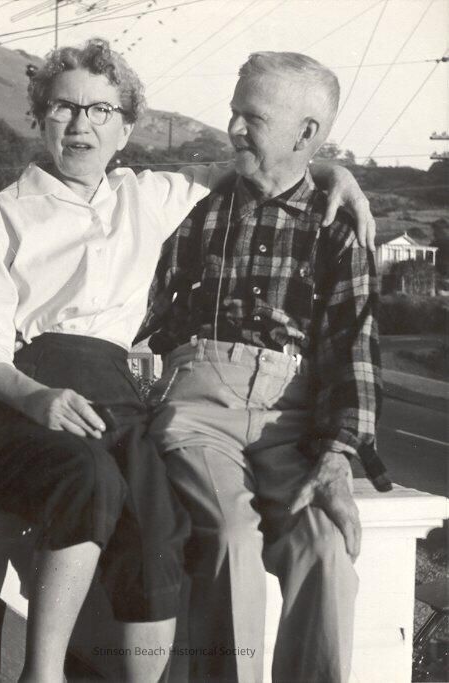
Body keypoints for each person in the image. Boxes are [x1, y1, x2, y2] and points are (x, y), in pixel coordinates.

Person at [0, 39, 376, 683]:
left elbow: (271, 178)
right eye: (63, 107)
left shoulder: (150, 196)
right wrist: (35, 396)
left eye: (100, 110)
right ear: (39, 118)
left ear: (125, 129)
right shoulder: (7, 215)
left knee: (187, 529)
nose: (80, 124)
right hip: (44, 388)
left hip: (144, 398)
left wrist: (332, 174)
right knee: (143, 504)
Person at [139, 51, 387, 683]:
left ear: (306, 133)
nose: (233, 128)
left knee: (326, 549)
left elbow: (353, 351)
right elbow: (144, 311)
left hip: (291, 421)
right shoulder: (197, 205)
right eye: (234, 112)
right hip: (200, 409)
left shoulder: (339, 230)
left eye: (253, 117)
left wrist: (338, 457)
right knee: (230, 538)